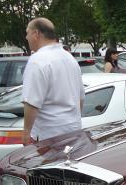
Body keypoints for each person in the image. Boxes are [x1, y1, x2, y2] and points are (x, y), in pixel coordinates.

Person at [21, 17, 85, 145]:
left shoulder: (37, 60)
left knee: (49, 165)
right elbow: (81, 98)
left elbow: (32, 103)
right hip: (74, 131)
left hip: (49, 136)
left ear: (36, 34)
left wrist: (26, 133)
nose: (26, 37)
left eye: (27, 33)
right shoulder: (69, 58)